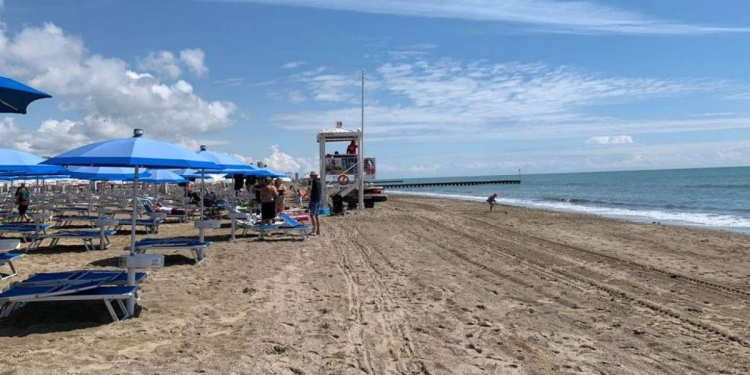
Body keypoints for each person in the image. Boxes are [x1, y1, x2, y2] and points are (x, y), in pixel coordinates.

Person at [308, 171, 322, 236]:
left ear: (314, 176)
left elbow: (314, 193)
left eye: (311, 176)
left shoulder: (315, 182)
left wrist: (312, 200)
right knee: (316, 215)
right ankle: (318, 230)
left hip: (315, 200)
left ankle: (314, 230)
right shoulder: (319, 182)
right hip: (318, 200)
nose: (310, 177)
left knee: (312, 215)